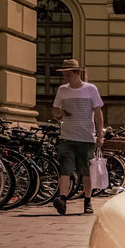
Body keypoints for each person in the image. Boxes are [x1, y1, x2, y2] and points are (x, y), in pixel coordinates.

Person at [52, 58, 104, 215]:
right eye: (64, 75)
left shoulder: (91, 89)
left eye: (68, 75)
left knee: (85, 172)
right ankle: (62, 199)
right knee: (65, 169)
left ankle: (88, 202)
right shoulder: (62, 90)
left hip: (86, 137)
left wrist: (100, 135)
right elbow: (55, 111)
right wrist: (61, 113)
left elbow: (98, 113)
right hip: (67, 137)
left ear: (76, 73)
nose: (66, 78)